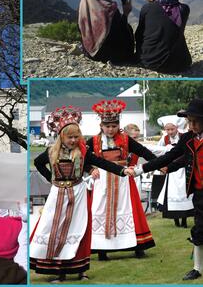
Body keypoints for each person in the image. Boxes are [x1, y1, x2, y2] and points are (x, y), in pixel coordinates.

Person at [29, 106, 133, 282]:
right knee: (54, 227)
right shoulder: (51, 152)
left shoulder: (83, 152)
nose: (73, 140)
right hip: (57, 194)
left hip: (77, 193)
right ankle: (57, 270)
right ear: (61, 136)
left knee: (79, 228)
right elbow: (38, 163)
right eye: (70, 137)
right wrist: (51, 179)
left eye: (76, 137)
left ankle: (80, 269)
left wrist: (122, 171)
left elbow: (102, 163)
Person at [132, 98, 203, 280]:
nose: (192, 125)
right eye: (189, 121)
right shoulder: (188, 138)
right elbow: (173, 156)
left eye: (195, 121)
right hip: (199, 192)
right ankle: (198, 268)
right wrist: (141, 169)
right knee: (199, 229)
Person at [88, 99, 156, 261]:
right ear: (101, 126)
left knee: (131, 211)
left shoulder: (126, 140)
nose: (110, 129)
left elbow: (144, 152)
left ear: (118, 125)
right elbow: (81, 156)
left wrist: (159, 164)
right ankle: (102, 249)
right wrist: (90, 169)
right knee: (100, 211)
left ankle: (138, 246)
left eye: (113, 126)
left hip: (123, 179)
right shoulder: (94, 141)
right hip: (102, 181)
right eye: (107, 126)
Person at [135, 0, 191, 73]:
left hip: (149, 62)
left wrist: (152, 2)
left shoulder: (147, 8)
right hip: (179, 63)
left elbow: (139, 34)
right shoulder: (184, 10)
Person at [78, 0, 136, 64]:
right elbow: (120, 33)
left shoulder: (82, 8)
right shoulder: (110, 9)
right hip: (109, 55)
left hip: (89, 53)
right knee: (129, 28)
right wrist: (125, 14)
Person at [156, 116, 194, 228]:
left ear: (176, 128)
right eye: (167, 130)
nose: (170, 132)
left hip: (182, 169)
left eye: (172, 129)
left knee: (184, 192)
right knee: (172, 193)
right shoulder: (164, 139)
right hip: (171, 170)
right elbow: (158, 150)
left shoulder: (183, 137)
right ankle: (176, 219)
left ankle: (184, 219)